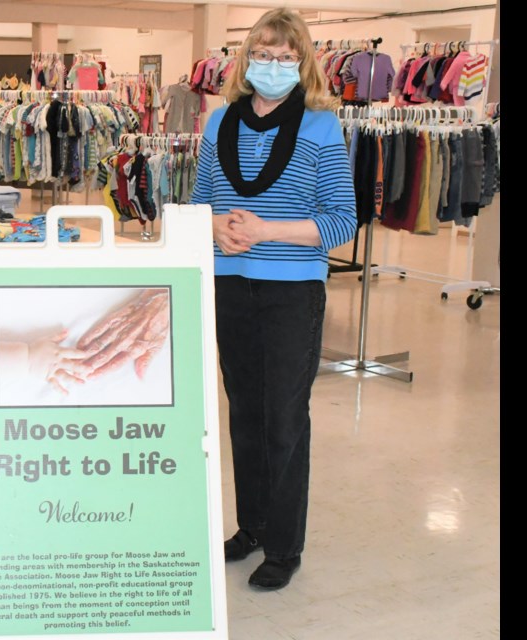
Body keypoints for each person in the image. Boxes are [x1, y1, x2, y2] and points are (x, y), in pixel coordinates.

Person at [190, 8, 357, 590]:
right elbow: (199, 202)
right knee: (245, 412)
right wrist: (215, 228)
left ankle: (285, 546)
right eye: (263, 53)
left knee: (284, 417)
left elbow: (342, 221)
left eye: (287, 56)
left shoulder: (320, 126)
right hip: (229, 283)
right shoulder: (218, 123)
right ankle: (253, 525)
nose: (274, 65)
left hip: (292, 292)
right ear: (245, 58)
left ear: (304, 62)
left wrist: (266, 230)